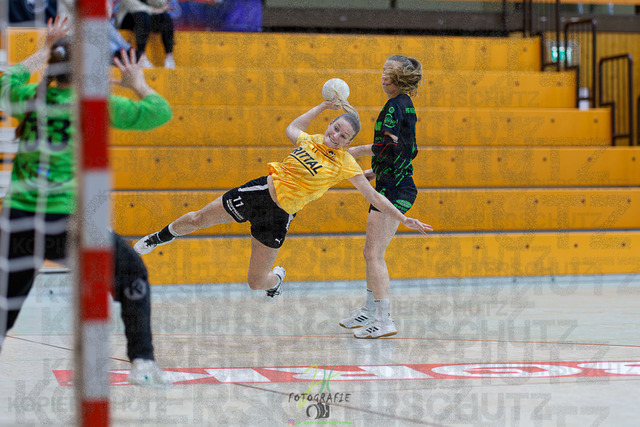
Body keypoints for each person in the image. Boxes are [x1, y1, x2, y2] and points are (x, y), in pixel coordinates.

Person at [0, 16, 173, 386]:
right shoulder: (94, 104)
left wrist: (43, 52)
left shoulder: (28, 98)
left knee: (6, 303)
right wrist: (137, 84)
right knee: (132, 274)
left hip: (18, 220)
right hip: (67, 221)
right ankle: (142, 362)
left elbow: (5, 80)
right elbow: (160, 112)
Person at [133, 100, 432, 306]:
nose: (336, 136)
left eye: (344, 136)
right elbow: (292, 128)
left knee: (255, 282)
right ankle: (159, 237)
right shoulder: (311, 140)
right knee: (198, 218)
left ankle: (276, 280)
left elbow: (374, 196)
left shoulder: (345, 164)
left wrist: (403, 218)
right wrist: (322, 106)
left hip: (278, 217)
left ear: (348, 142)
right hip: (258, 193)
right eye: (335, 128)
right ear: (329, 124)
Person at [338, 55, 424, 339]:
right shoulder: (404, 105)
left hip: (396, 188)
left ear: (401, 77)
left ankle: (384, 319)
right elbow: (407, 151)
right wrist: (375, 172)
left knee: (373, 254)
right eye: (383, 70)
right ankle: (369, 310)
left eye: (390, 71)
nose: (384, 76)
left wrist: (356, 150)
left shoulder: (395, 106)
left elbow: (388, 146)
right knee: (372, 253)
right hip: (392, 183)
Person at [115, 0, 177, 69]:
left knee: (165, 17)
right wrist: (154, 10)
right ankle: (141, 56)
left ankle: (169, 56)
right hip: (128, 19)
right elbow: (134, 6)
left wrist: (160, 6)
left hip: (146, 18)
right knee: (142, 16)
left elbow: (160, 3)